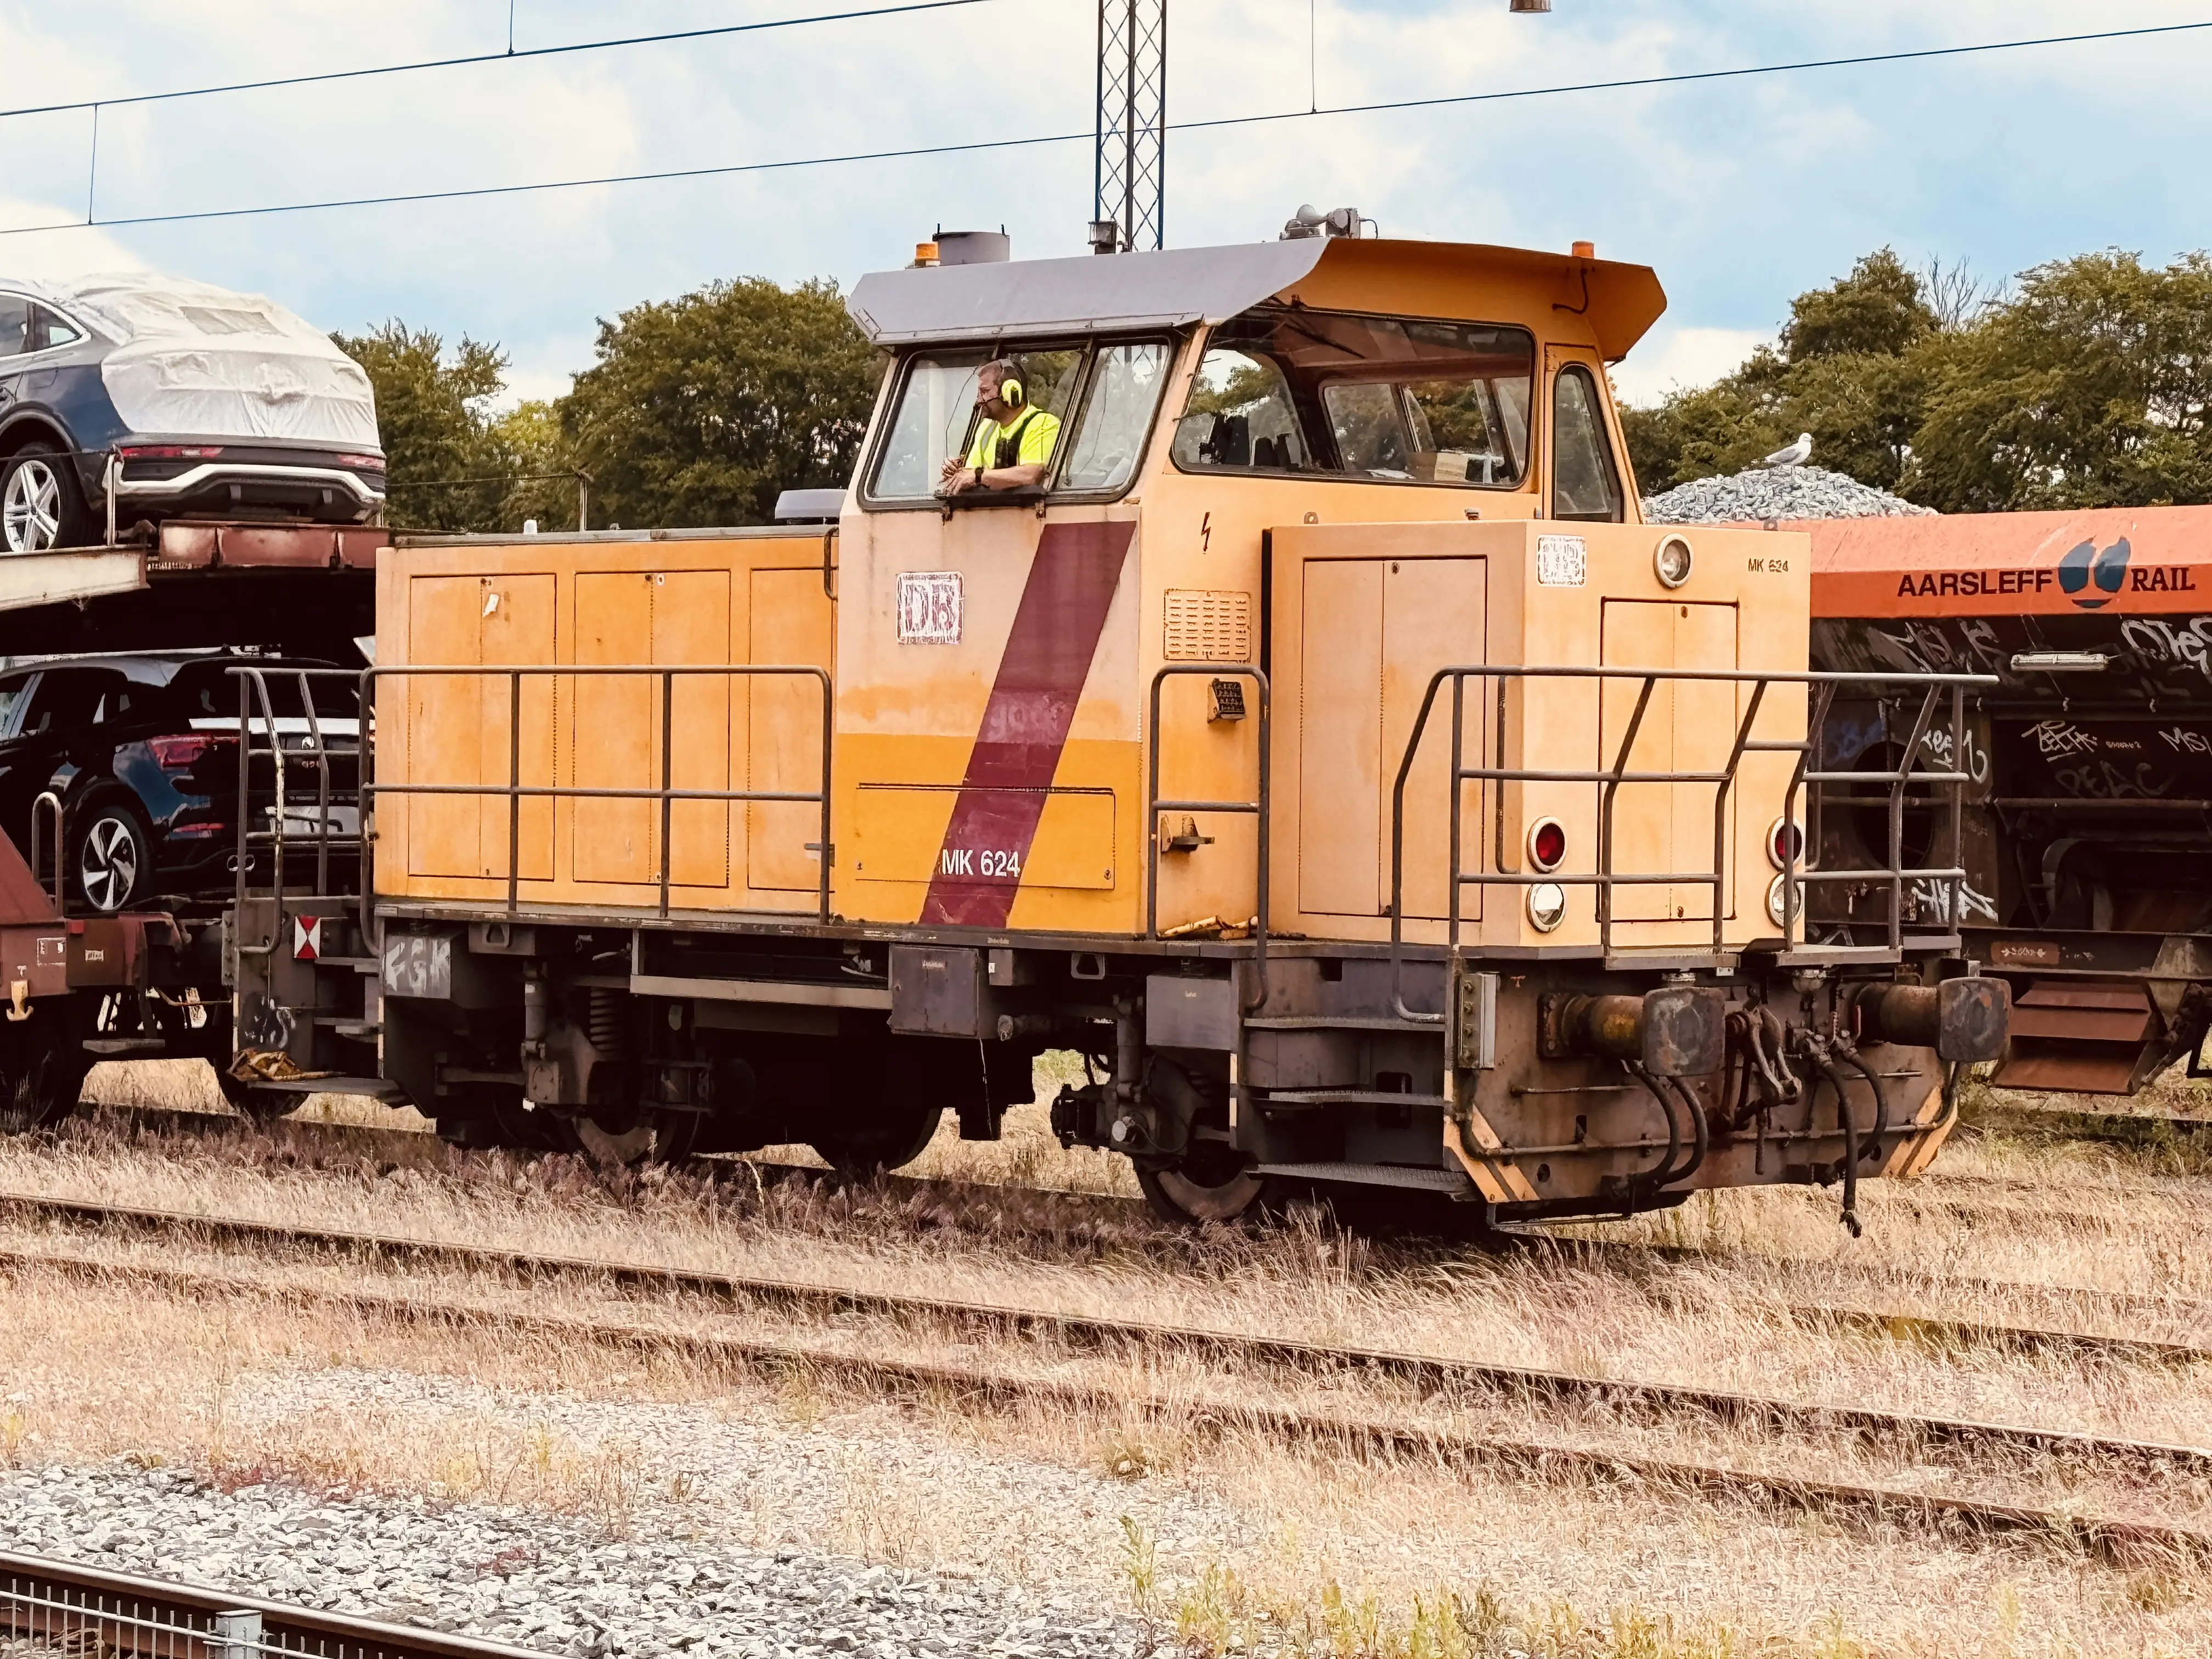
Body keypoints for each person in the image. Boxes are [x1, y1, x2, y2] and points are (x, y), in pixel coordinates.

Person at [939, 358, 1060, 495]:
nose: (979, 400)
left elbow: (1032, 475)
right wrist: (957, 474)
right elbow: (970, 474)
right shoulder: (986, 428)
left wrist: (978, 476)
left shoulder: (1042, 423)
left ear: (1011, 392)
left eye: (984, 392)